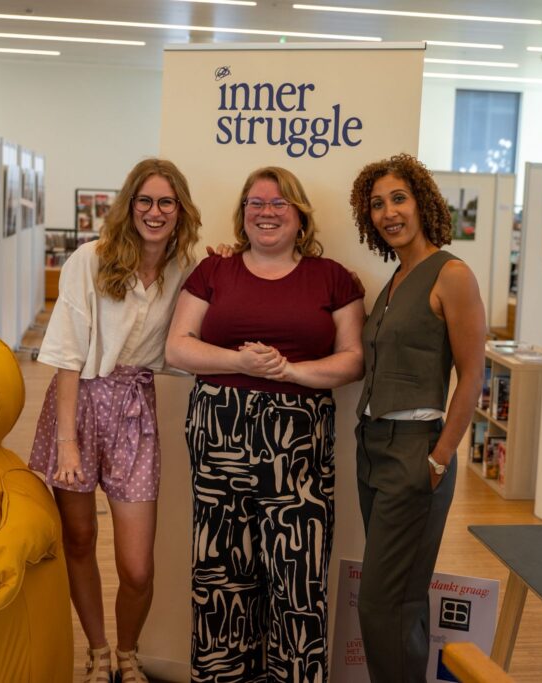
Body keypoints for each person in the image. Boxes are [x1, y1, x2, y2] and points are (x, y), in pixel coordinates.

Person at [166, 166, 364, 682]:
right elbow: (178, 347)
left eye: (279, 203)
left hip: (298, 453)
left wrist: (289, 371)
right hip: (219, 440)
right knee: (221, 578)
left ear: (300, 216)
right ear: (242, 214)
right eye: (256, 203)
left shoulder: (333, 278)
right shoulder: (214, 271)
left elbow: (353, 360)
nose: (267, 212)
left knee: (298, 582)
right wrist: (240, 362)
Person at [29, 158, 201, 683]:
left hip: (134, 410)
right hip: (77, 403)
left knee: (137, 567)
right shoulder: (91, 259)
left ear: (180, 210)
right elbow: (67, 355)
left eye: (166, 202)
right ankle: (99, 651)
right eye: (144, 201)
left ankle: (129, 650)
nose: (154, 212)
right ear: (129, 206)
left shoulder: (186, 270)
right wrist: (67, 443)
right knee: (79, 539)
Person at [348, 153, 486, 683]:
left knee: (385, 604)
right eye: (377, 204)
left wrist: (439, 457)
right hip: (372, 447)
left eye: (398, 198)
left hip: (414, 450)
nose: (389, 212)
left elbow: (471, 375)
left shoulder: (452, 274)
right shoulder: (395, 279)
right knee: (397, 600)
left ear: (422, 203)